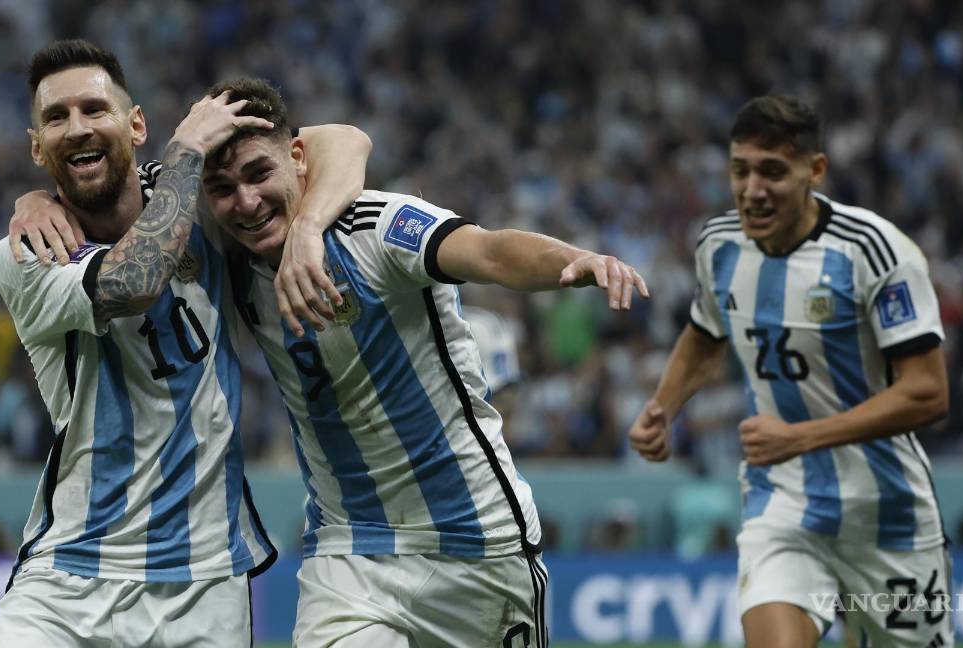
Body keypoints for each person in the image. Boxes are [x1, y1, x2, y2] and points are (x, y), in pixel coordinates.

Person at [198, 76, 648, 648]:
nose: (246, 202)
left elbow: (488, 250)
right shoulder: (231, 265)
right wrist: (42, 198)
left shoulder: (376, 226)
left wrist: (577, 257)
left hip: (475, 539)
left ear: (297, 159)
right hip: (348, 549)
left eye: (260, 175)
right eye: (222, 188)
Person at [0, 40, 369, 648]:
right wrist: (185, 149)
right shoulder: (27, 253)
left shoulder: (204, 203)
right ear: (37, 148)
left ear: (135, 124)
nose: (76, 127)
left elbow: (342, 140)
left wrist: (310, 229)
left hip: (204, 585)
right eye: (55, 118)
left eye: (94, 108)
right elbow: (134, 280)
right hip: (67, 583)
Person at [628, 95, 952, 648]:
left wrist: (799, 436)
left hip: (887, 513)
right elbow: (705, 337)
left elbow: (928, 394)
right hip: (782, 503)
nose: (753, 189)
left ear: (815, 171)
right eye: (741, 170)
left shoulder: (874, 250)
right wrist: (664, 408)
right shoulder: (719, 245)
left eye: (773, 172)